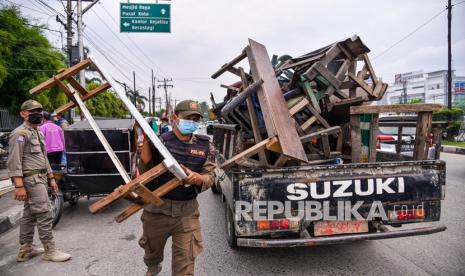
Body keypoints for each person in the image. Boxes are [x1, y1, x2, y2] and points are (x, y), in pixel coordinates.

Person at [138, 100, 216, 276]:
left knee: (185, 266)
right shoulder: (159, 142)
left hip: (187, 212)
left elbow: (211, 176)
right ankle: (153, 266)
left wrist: (198, 178)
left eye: (196, 119)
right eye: (188, 118)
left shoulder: (205, 145)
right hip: (157, 209)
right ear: (175, 118)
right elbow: (144, 171)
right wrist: (145, 146)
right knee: (152, 253)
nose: (192, 122)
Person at [7, 100, 71, 263]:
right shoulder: (19, 134)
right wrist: (19, 185)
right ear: (23, 114)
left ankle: (26, 248)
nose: (38, 114)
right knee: (44, 212)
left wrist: (51, 178)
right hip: (31, 180)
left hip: (41, 178)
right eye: (33, 111)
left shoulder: (38, 132)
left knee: (29, 214)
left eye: (40, 111)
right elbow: (14, 162)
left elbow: (44, 158)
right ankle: (50, 250)